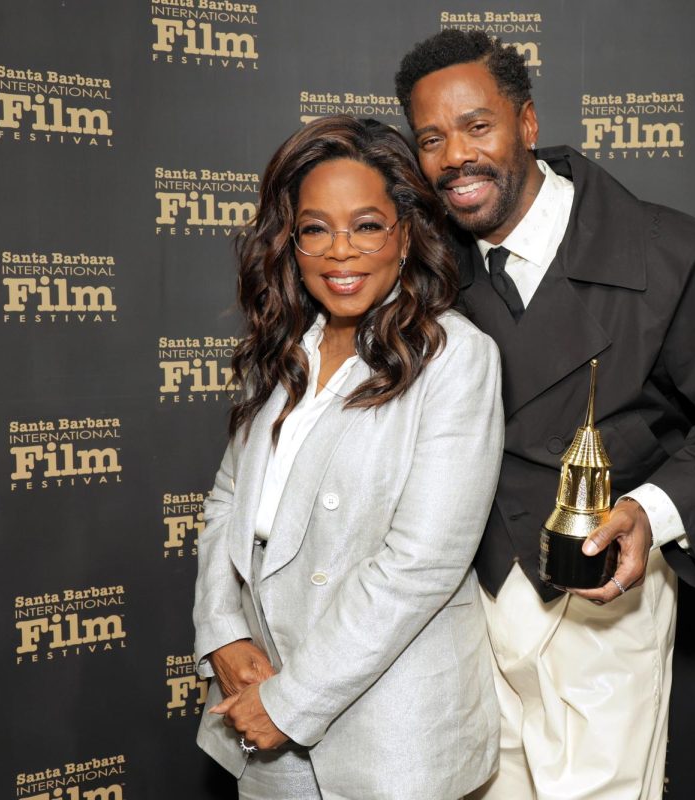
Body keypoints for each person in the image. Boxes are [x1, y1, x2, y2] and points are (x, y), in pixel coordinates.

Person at [395, 31, 695, 800]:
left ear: (525, 122)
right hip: (461, 610)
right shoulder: (423, 269)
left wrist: (650, 513)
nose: (455, 156)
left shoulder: (669, 252)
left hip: (600, 606)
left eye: (476, 126)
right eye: (432, 139)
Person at [192, 115, 503, 800]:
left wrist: (292, 699)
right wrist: (222, 633)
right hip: (260, 701)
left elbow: (422, 563)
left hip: (390, 732)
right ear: (290, 240)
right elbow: (225, 502)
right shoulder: (279, 350)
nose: (341, 252)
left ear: (405, 234)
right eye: (315, 228)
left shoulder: (454, 357)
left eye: (366, 226)